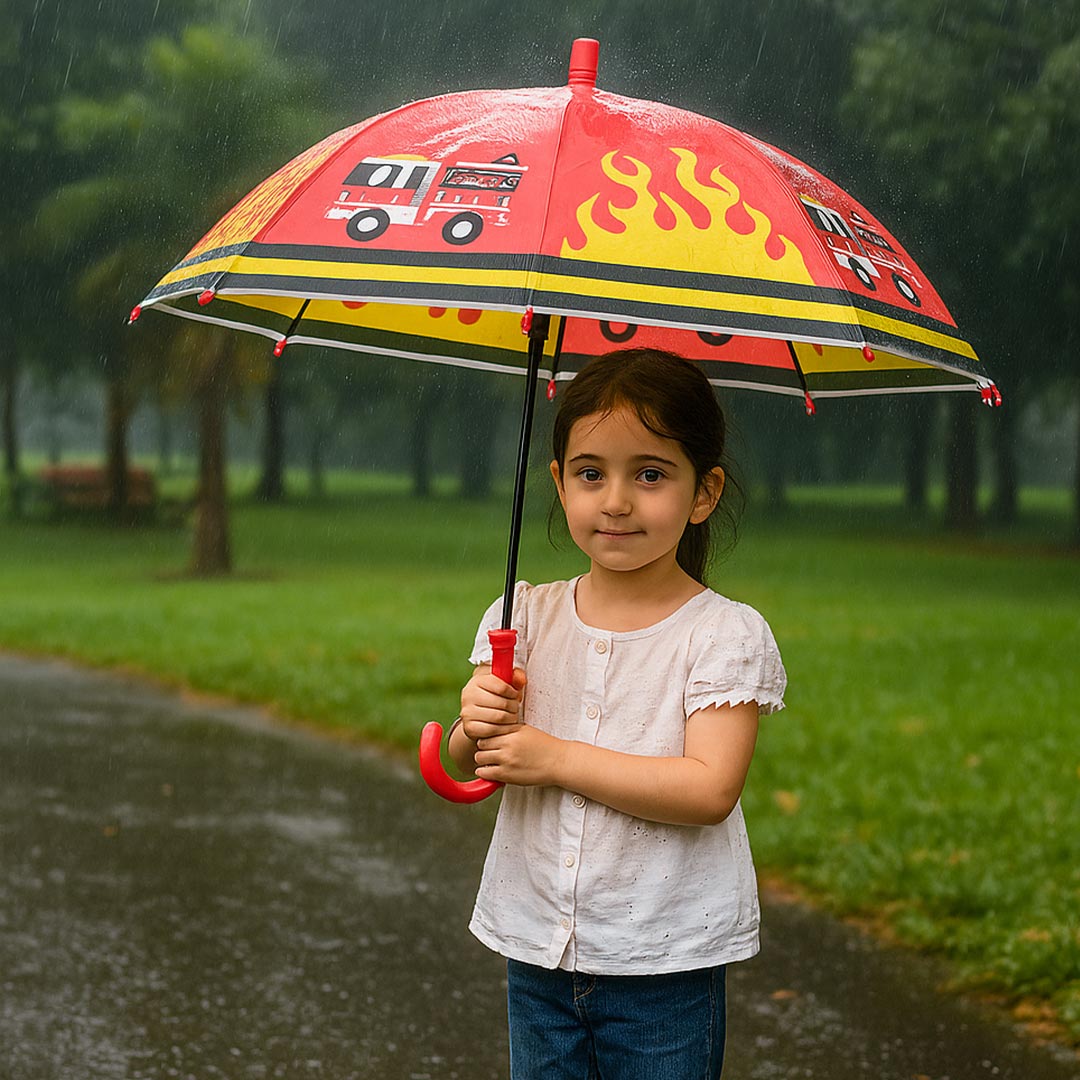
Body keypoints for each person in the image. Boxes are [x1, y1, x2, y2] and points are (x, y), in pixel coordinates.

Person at [447, 347, 786, 1079]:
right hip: (537, 950)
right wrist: (473, 725)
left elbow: (708, 790)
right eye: (591, 473)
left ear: (704, 492)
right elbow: (471, 762)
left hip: (664, 963)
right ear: (559, 483)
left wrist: (553, 756)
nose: (617, 501)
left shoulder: (722, 635)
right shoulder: (525, 615)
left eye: (651, 474)